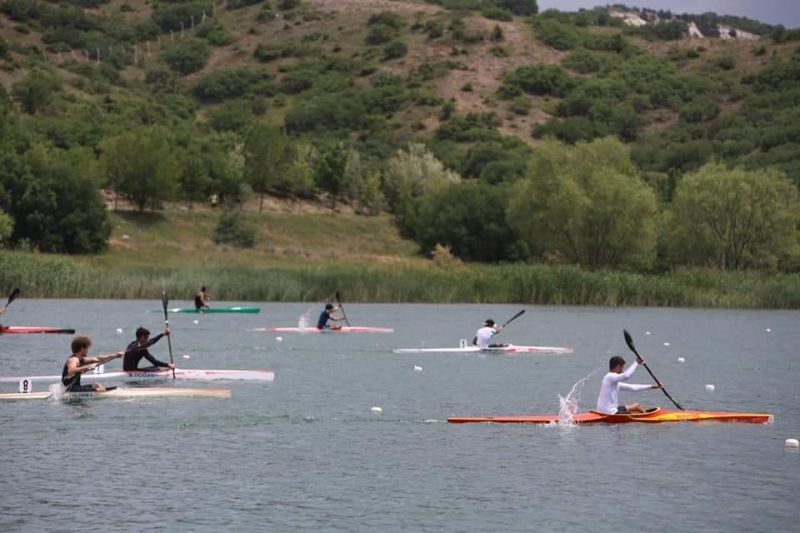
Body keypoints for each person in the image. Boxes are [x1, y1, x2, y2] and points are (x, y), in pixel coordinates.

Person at [596, 355, 662, 415]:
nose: (623, 370)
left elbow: (632, 388)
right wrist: (636, 362)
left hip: (603, 411)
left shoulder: (610, 380)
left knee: (635, 409)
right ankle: (649, 417)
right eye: (623, 367)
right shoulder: (611, 377)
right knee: (636, 406)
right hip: (610, 413)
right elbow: (626, 376)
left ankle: (643, 415)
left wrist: (652, 386)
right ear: (618, 366)